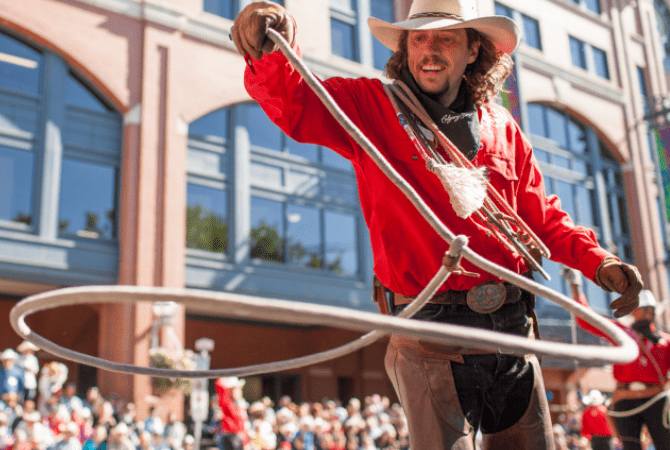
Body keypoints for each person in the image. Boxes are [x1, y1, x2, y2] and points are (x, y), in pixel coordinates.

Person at [230, 0, 643, 448]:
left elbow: (541, 218)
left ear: (472, 51)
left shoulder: (503, 127)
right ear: (405, 49)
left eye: (446, 38)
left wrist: (600, 262)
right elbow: (296, 104)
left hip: (512, 329)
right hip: (430, 333)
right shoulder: (371, 106)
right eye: (419, 38)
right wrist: (266, 48)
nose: (430, 50)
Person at [565, 268, 669, 450]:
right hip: (625, 399)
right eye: (643, 309)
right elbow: (586, 320)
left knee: (665, 445)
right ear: (633, 310)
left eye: (650, 309)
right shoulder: (621, 333)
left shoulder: (665, 342)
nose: (647, 313)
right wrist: (576, 287)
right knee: (630, 447)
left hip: (656, 398)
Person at [214, 377, 247, 450]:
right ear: (231, 390)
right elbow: (219, 385)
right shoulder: (227, 402)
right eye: (236, 389)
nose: (239, 391)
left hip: (238, 437)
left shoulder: (239, 403)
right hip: (231, 436)